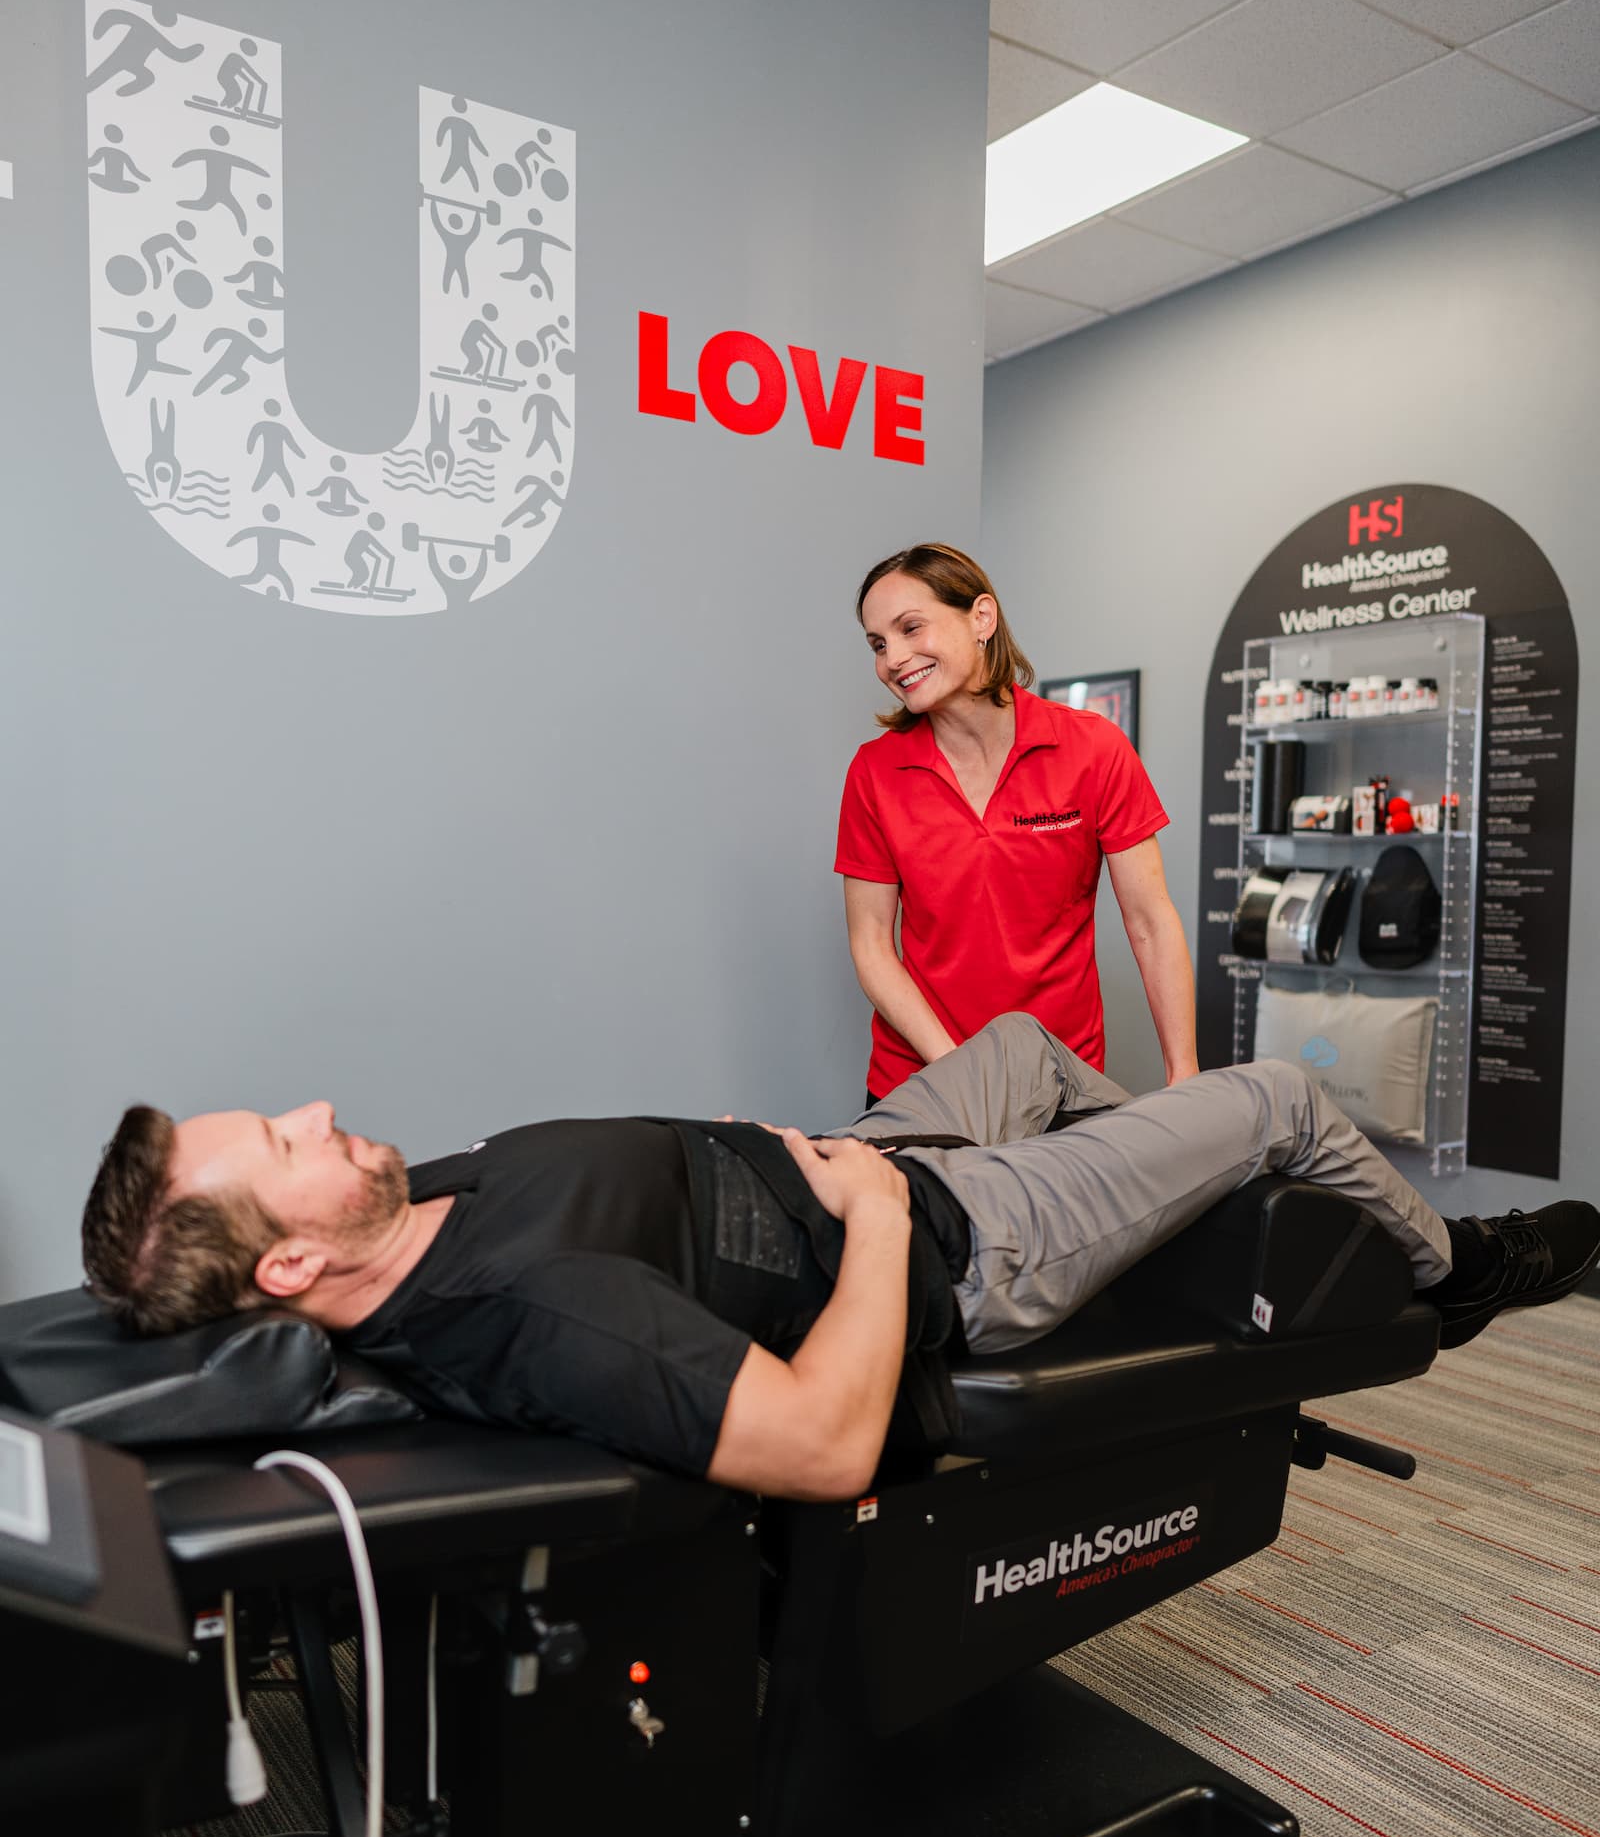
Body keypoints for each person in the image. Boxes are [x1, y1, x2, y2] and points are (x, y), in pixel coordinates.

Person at [81, 1016, 1598, 1504]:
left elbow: (635, 1185)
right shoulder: (533, 1317)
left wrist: (755, 1147)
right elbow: (819, 1443)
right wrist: (875, 1213)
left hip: (853, 1153)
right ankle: (1461, 1269)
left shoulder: (413, 1215)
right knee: (1272, 1093)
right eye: (287, 1145)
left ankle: (1167, 1203)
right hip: (953, 1238)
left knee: (1012, 1040)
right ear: (285, 1270)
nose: (319, 1111)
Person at [837, 544, 1197, 1107]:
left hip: (1060, 1084)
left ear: (982, 617)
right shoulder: (874, 771)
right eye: (878, 644)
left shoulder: (1093, 748)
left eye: (911, 628)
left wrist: (1185, 1076)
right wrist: (962, 1072)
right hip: (922, 1082)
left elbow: (1150, 921)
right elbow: (872, 949)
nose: (893, 658)